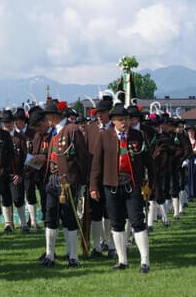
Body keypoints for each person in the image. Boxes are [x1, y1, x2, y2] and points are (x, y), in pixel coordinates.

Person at [90, 104, 154, 273]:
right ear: (113, 121)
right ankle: (122, 260)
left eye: (126, 119)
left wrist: (151, 183)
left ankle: (145, 261)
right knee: (116, 222)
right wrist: (93, 187)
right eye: (120, 120)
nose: (124, 123)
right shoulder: (104, 136)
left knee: (137, 221)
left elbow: (149, 161)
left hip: (132, 185)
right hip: (111, 185)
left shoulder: (138, 135)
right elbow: (97, 164)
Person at [40, 101, 88, 268]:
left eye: (48, 116)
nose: (47, 119)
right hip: (52, 178)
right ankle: (49, 255)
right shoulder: (53, 131)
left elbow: (82, 157)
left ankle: (73, 256)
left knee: (70, 217)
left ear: (54, 116)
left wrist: (81, 181)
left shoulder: (72, 129)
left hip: (68, 180)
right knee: (50, 216)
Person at [84, 96, 116, 259]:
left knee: (109, 212)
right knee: (95, 213)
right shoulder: (90, 129)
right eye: (98, 113)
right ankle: (96, 247)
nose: (99, 116)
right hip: (94, 177)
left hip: (111, 176)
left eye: (103, 113)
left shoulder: (115, 129)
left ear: (109, 113)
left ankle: (111, 245)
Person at [0, 109, 28, 233]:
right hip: (3, 173)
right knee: (5, 199)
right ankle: (8, 224)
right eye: (6, 122)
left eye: (10, 122)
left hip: (16, 173)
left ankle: (23, 223)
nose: (8, 125)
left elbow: (26, 157)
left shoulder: (19, 137)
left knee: (18, 199)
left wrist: (21, 174)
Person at [14, 107, 38, 228]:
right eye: (15, 120)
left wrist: (30, 166)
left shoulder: (32, 133)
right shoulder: (14, 135)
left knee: (30, 194)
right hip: (17, 170)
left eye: (18, 120)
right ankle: (22, 221)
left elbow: (34, 151)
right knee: (18, 197)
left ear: (23, 121)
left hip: (30, 169)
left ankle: (33, 221)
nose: (16, 123)